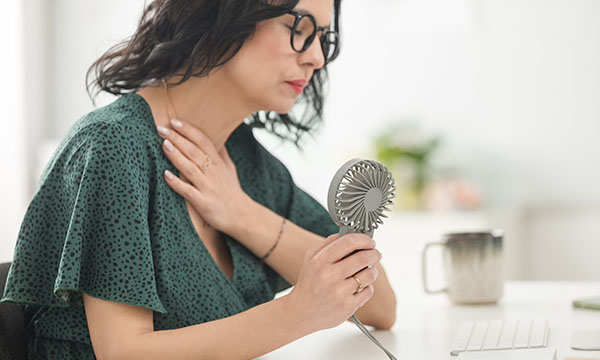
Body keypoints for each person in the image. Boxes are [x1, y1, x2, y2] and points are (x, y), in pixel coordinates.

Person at [1, 0, 397, 358]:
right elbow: (123, 353)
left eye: (322, 39)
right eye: (299, 28)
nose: (315, 58)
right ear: (224, 13)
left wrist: (243, 215)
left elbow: (381, 305)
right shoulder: (112, 147)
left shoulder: (244, 163)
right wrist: (298, 313)